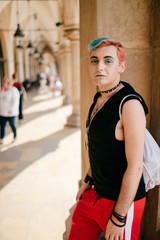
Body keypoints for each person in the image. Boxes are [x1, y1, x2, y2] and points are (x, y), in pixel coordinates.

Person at [67, 38, 148, 240]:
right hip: (94, 194)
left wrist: (119, 217)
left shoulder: (129, 104)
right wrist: (88, 180)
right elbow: (99, 148)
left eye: (108, 60)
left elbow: (136, 166)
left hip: (121, 203)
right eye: (94, 60)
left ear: (122, 66)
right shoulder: (99, 98)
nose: (99, 66)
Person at [0, 77, 20, 144]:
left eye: (4, 82)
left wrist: (12, 109)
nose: (3, 83)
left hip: (10, 113)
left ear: (8, 83)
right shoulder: (2, 90)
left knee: (12, 125)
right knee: (2, 126)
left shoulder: (14, 90)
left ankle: (15, 136)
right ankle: (1, 138)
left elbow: (16, 101)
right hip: (2, 112)